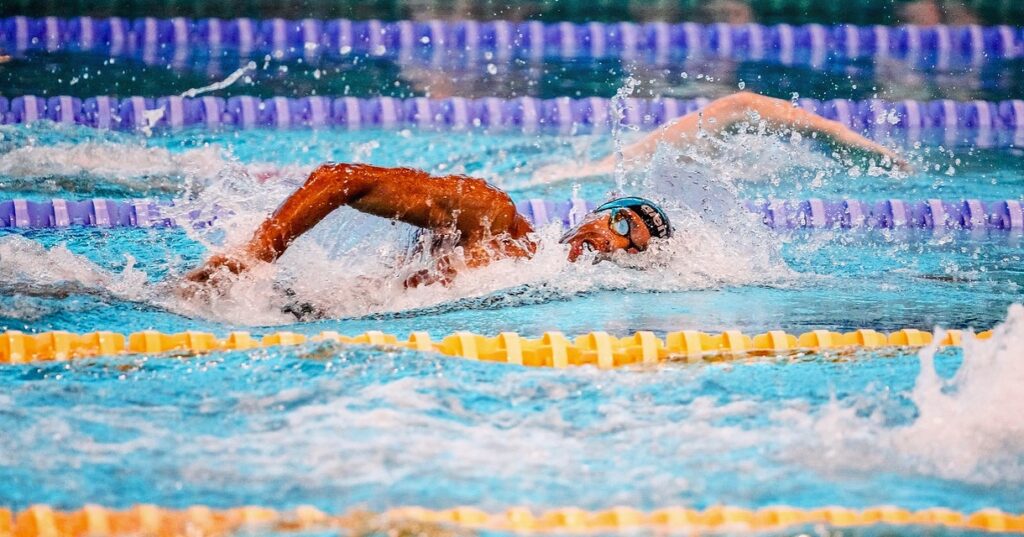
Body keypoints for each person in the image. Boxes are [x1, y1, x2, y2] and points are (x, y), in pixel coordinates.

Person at [183, 92, 906, 290]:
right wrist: (252, 256)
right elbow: (338, 181)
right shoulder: (497, 221)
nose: (611, 242)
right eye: (619, 223)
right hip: (263, 305)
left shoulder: (545, 292)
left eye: (631, 247)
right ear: (593, 214)